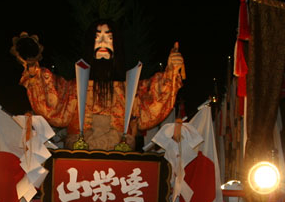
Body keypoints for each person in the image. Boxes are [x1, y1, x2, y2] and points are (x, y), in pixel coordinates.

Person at [18, 19, 184, 150]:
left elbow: (152, 105)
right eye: (97, 38)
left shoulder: (130, 89)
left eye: (109, 38)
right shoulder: (73, 88)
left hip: (119, 169)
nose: (103, 43)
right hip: (79, 166)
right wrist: (34, 71)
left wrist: (171, 71)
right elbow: (53, 104)